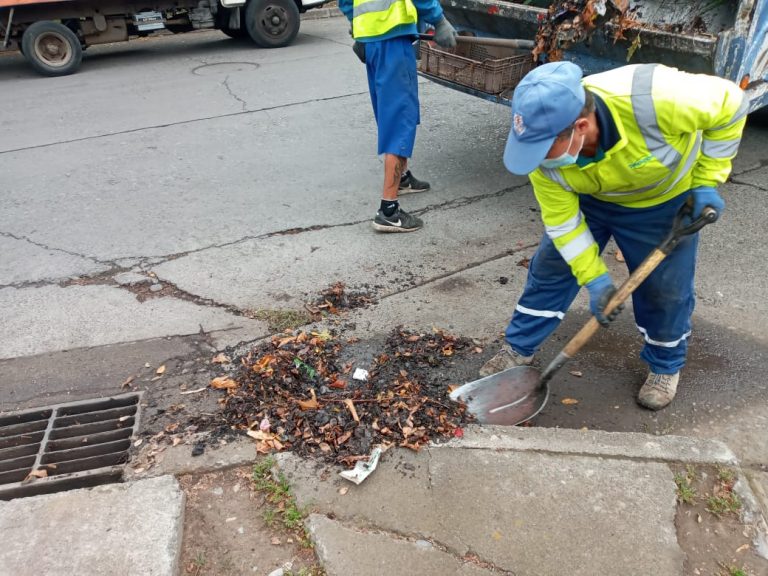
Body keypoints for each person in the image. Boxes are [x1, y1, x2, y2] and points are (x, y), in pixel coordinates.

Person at [481, 61, 747, 410]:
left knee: (665, 289)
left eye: (543, 149)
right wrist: (596, 281)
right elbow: (564, 225)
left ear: (580, 126)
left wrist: (707, 180)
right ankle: (518, 349)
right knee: (551, 269)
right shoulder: (542, 160)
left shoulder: (654, 98)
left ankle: (664, 367)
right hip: (593, 201)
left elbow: (732, 104)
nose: (536, 160)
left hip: (661, 204)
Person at [339, 0, 457, 232]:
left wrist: (358, 27)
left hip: (373, 42)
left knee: (392, 113)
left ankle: (402, 178)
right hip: (393, 41)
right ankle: (389, 210)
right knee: (398, 119)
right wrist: (439, 20)